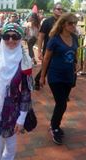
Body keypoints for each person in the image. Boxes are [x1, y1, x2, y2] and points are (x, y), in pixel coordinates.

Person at [0, 23, 33, 160]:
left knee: (10, 146)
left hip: (13, 108)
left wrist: (22, 118)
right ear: (2, 38)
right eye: (6, 36)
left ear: (20, 38)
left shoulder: (25, 60)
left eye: (15, 36)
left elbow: (26, 91)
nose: (10, 40)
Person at [40, 13, 79, 145]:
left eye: (75, 23)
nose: (73, 26)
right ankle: (54, 127)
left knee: (62, 103)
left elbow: (75, 51)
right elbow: (46, 58)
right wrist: (42, 76)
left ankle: (55, 124)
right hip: (55, 76)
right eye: (70, 23)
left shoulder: (74, 37)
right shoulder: (55, 39)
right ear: (63, 24)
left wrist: (77, 62)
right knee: (62, 103)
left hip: (69, 75)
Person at [34, 2, 63, 90]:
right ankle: (37, 79)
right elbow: (41, 37)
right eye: (58, 9)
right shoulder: (47, 22)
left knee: (60, 68)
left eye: (61, 9)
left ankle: (62, 89)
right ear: (53, 10)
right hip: (48, 49)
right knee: (45, 67)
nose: (60, 11)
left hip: (60, 50)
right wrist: (39, 51)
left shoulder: (63, 22)